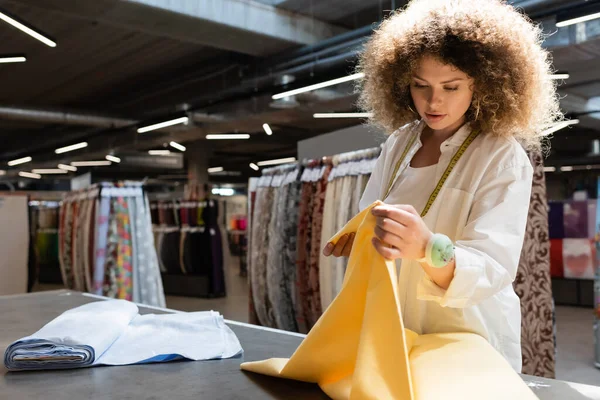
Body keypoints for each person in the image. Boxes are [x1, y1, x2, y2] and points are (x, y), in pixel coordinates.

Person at [322, 0, 561, 372]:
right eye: (421, 86)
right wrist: (359, 237)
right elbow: (371, 215)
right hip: (400, 330)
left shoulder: (501, 156)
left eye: (451, 86)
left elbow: (492, 266)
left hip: (469, 341)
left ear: (482, 84)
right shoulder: (399, 144)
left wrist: (426, 247)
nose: (434, 101)